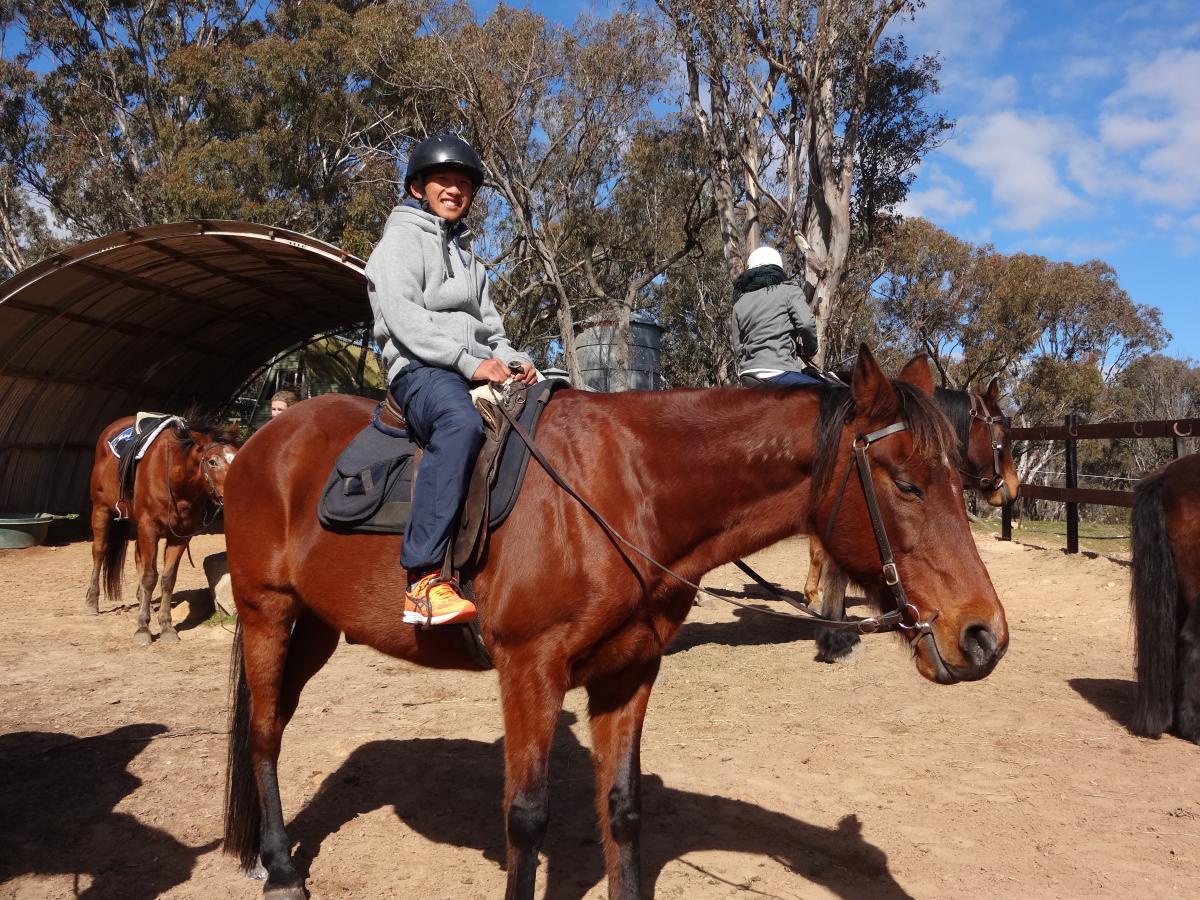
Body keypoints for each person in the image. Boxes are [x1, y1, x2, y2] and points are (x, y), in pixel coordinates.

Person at [365, 133, 535, 627]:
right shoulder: (399, 241)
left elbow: (493, 330)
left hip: (469, 365)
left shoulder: (470, 260)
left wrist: (515, 359)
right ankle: (422, 580)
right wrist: (468, 361)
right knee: (459, 424)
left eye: (464, 183)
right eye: (444, 180)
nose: (455, 190)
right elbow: (404, 318)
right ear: (418, 186)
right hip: (420, 369)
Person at [730, 246, 822, 388]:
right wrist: (811, 351)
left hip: (748, 376)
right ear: (777, 269)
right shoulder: (789, 291)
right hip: (780, 372)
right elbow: (806, 324)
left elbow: (738, 348)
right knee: (830, 394)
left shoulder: (739, 303)